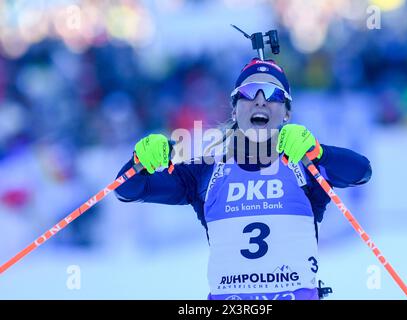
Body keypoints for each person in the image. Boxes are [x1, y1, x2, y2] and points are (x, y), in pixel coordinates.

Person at [114, 58, 372, 300]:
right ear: (235, 110)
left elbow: (361, 172)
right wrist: (139, 161)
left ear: (287, 113)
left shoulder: (305, 165)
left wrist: (320, 152)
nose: (260, 101)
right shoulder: (206, 171)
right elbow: (128, 189)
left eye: (273, 94)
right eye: (249, 92)